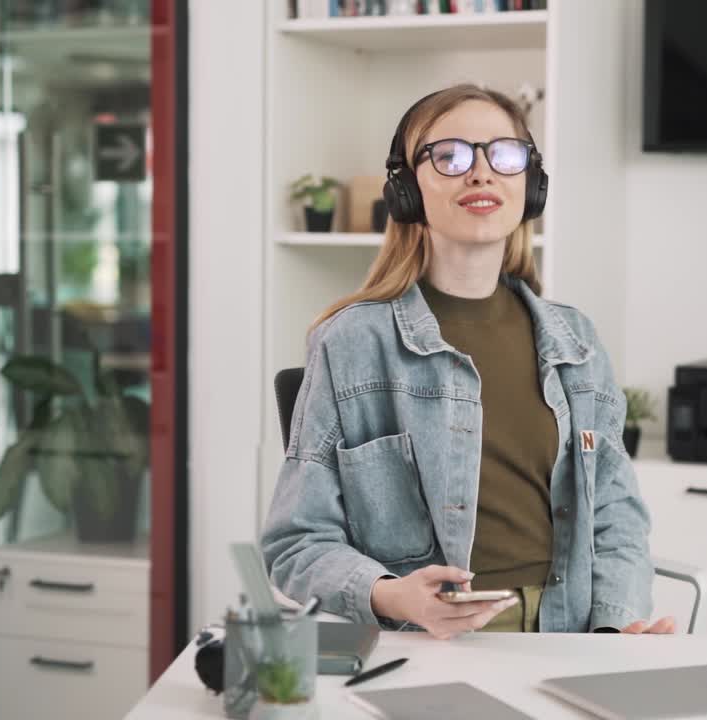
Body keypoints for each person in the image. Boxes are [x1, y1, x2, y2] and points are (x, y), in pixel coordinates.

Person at [260, 84, 674, 639]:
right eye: (451, 156)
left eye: (504, 155)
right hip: (424, 643)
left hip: (569, 636)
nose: (481, 173)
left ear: (530, 184)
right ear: (406, 190)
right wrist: (395, 595)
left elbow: (616, 520)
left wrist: (614, 633)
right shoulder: (353, 341)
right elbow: (297, 544)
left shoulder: (576, 340)